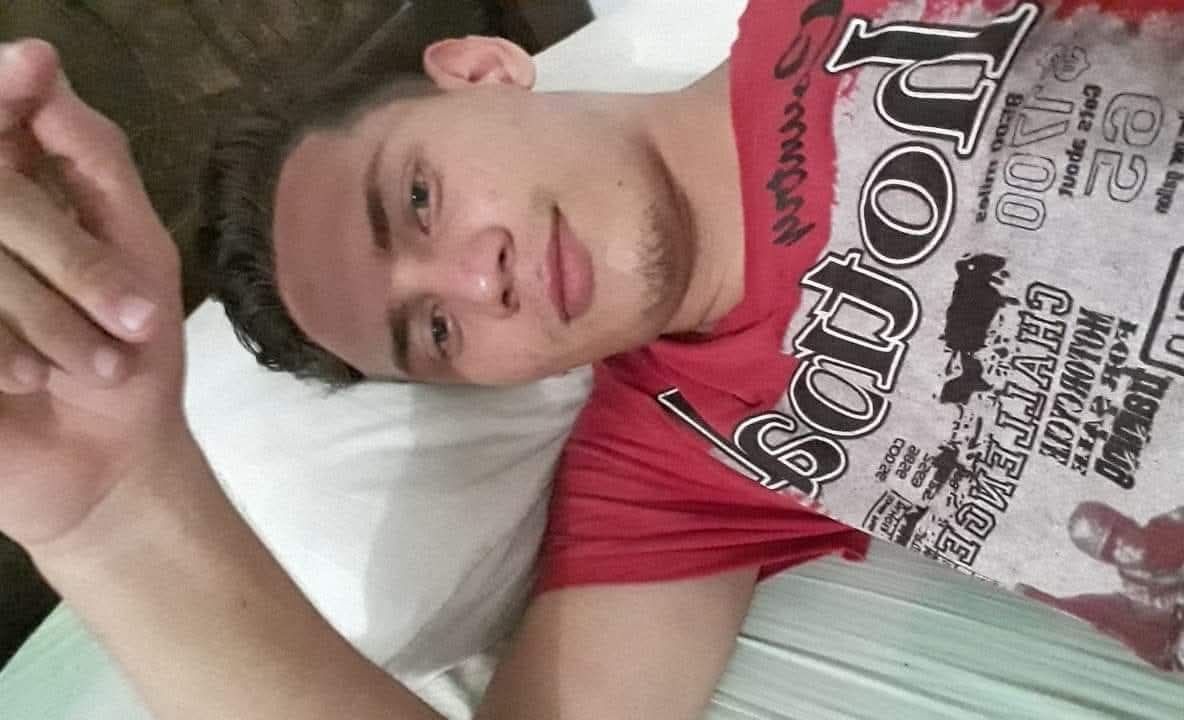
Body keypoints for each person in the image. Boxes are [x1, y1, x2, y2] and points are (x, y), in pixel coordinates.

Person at [0, 3, 1180, 720]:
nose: (475, 281)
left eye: (417, 200)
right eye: (435, 334)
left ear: (481, 68)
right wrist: (110, 512)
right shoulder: (669, 467)